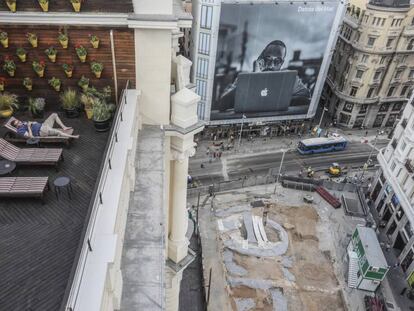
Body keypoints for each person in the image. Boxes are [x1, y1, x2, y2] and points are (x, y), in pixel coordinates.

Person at [218, 40, 311, 112]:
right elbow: (222, 104)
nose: (271, 65)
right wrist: (255, 78)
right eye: (268, 59)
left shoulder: (290, 79)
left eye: (277, 61)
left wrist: (281, 99)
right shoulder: (245, 78)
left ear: (282, 63)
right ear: (261, 58)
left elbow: (306, 100)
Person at [11, 113, 79, 139]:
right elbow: (31, 137)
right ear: (16, 126)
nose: (20, 122)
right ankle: (73, 136)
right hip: (41, 131)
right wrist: (29, 127)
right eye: (18, 123)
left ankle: (64, 127)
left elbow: (33, 123)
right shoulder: (20, 131)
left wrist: (33, 122)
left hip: (43, 125)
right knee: (58, 132)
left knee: (54, 115)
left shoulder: (22, 123)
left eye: (19, 121)